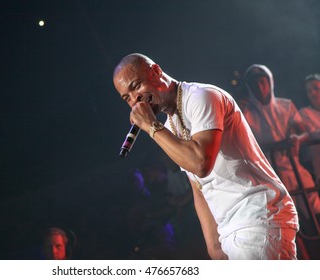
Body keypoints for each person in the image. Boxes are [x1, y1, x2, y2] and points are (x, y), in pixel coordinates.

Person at [112, 53, 299, 260]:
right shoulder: (168, 126)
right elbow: (198, 186)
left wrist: (150, 126)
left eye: (136, 85)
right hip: (231, 228)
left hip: (257, 215)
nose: (135, 100)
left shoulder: (201, 96)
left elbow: (200, 163)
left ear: (156, 71)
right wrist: (213, 245)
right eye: (127, 98)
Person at [241, 65, 320, 222]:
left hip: (295, 169)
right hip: (269, 177)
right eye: (254, 83)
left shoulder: (286, 105)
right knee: (287, 222)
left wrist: (297, 138)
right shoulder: (245, 113)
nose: (260, 87)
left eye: (263, 82)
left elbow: (302, 130)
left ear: (270, 82)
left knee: (315, 210)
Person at [299, 73, 320, 186]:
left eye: (316, 88)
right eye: (309, 91)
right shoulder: (304, 113)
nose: (312, 93)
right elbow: (311, 134)